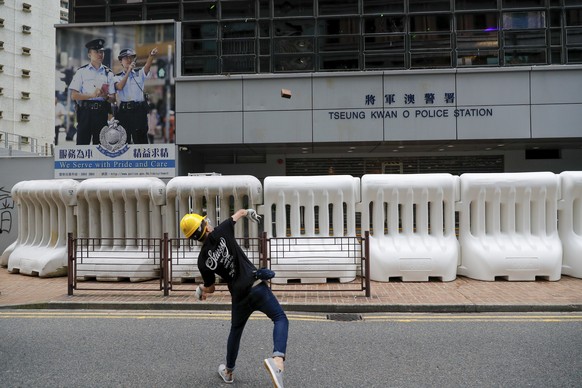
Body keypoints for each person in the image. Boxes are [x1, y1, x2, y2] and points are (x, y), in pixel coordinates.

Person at [180, 210, 288, 388]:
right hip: (255, 285)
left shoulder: (203, 260)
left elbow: (211, 288)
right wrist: (249, 212)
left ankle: (228, 372)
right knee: (280, 318)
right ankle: (277, 361)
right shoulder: (222, 230)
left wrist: (201, 289)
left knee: (236, 331)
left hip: (239, 297)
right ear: (205, 226)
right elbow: (239, 213)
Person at [69, 38, 115, 145]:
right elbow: (74, 95)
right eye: (96, 52)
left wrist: (106, 97)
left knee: (100, 147)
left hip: (101, 113)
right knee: (82, 146)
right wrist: (91, 95)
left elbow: (113, 99)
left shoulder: (109, 74)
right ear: (89, 54)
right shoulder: (81, 72)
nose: (100, 54)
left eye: (101, 52)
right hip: (85, 112)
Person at [112, 47, 158, 144]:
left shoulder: (139, 73)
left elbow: (147, 67)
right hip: (124, 113)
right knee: (123, 142)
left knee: (141, 141)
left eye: (131, 58)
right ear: (121, 61)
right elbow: (119, 87)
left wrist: (151, 56)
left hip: (138, 111)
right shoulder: (117, 77)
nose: (129, 60)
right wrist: (128, 71)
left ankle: (143, 159)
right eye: (125, 58)